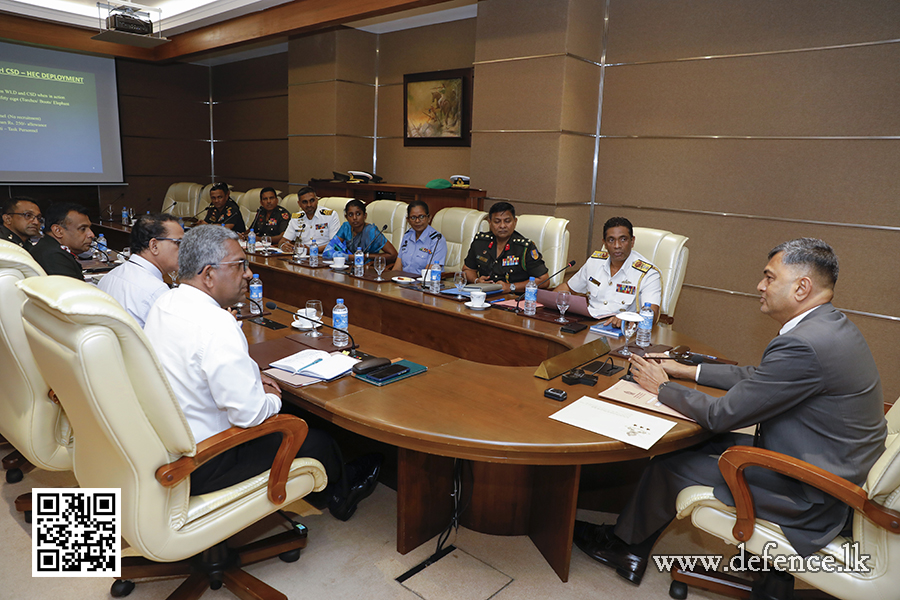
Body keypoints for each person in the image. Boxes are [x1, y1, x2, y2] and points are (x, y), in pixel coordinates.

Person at [574, 238, 886, 585]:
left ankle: (624, 548)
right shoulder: (829, 327)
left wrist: (661, 386)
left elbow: (721, 415)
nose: (760, 286)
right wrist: (687, 370)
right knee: (696, 445)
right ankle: (630, 544)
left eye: (769, 277)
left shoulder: (804, 343)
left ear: (802, 287)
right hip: (830, 466)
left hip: (813, 493)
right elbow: (761, 378)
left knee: (673, 463)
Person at [143, 225, 382, 520]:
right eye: (240, 265)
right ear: (208, 274)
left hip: (164, 447)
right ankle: (341, 498)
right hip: (205, 462)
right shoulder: (216, 324)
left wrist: (248, 372)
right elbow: (250, 415)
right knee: (315, 438)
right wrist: (272, 395)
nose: (248, 274)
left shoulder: (165, 302)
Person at [555, 217, 661, 327]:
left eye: (623, 239)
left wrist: (626, 319)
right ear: (605, 243)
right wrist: (546, 302)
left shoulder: (648, 273)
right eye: (611, 240)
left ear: (632, 241)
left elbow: (651, 313)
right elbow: (567, 288)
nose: (617, 246)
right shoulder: (594, 263)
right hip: (588, 325)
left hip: (621, 331)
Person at [98, 213, 183, 327]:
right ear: (154, 246)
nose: (184, 250)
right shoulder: (156, 291)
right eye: (178, 243)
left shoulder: (109, 276)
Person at [462, 202, 548, 293]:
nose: (502, 226)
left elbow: (544, 280)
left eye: (507, 221)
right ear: (490, 222)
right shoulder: (480, 242)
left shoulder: (524, 248)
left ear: (515, 222)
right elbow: (467, 269)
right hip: (482, 295)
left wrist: (511, 287)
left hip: (513, 299)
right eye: (497, 221)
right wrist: (477, 281)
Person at [31, 202, 95, 279]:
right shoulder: (53, 256)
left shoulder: (48, 246)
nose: (91, 235)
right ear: (58, 231)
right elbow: (74, 290)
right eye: (83, 229)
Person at [324, 199, 398, 264]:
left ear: (365, 216)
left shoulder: (371, 231)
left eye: (358, 214)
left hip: (367, 270)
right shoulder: (345, 227)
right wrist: (350, 257)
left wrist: (367, 256)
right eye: (350, 215)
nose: (354, 218)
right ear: (346, 217)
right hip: (348, 267)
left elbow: (393, 255)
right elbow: (327, 252)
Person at [391, 200, 447, 275]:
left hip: (423, 283)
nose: (417, 221)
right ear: (408, 220)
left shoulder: (437, 240)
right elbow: (397, 267)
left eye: (421, 217)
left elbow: (429, 273)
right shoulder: (407, 236)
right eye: (413, 217)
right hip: (404, 282)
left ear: (429, 218)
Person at [280, 186, 340, 255]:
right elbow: (283, 240)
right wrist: (283, 246)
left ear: (317, 200)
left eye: (312, 201)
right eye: (305, 202)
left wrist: (312, 250)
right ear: (299, 204)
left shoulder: (330, 215)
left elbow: (335, 243)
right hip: (302, 256)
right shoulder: (296, 218)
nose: (309, 205)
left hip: (324, 256)